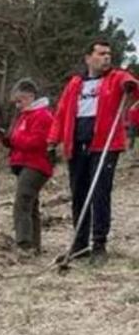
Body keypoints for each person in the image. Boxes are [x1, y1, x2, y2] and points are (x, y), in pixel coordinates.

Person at [48, 39, 139, 264]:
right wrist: (52, 140)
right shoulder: (75, 83)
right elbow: (60, 113)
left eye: (108, 53)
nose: (106, 57)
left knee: (100, 193)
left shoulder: (116, 78)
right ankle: (80, 245)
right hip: (77, 144)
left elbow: (133, 87)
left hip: (104, 145)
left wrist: (130, 84)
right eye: (100, 53)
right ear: (88, 58)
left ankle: (99, 244)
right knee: (79, 193)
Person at [0, 79, 54, 255]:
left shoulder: (42, 115)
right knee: (31, 205)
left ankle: (24, 244)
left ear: (30, 96)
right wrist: (6, 139)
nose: (18, 105)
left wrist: (13, 139)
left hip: (36, 164)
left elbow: (37, 142)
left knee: (22, 203)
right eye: (16, 102)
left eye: (20, 101)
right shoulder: (24, 116)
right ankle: (35, 246)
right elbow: (17, 140)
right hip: (24, 163)